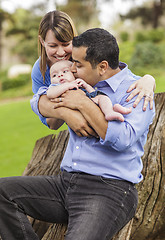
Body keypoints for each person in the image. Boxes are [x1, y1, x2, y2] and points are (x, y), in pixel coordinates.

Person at [0, 28, 155, 240]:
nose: (72, 68)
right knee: (2, 192)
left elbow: (124, 139)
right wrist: (65, 110)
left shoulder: (137, 91)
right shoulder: (78, 83)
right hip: (65, 185)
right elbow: (38, 100)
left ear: (102, 67)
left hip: (109, 191)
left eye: (78, 64)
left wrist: (83, 104)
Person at [30, 10, 156, 135]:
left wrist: (148, 79)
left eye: (66, 44)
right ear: (42, 42)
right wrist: (68, 114)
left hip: (95, 105)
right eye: (53, 46)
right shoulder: (41, 69)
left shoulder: (84, 56)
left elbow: (114, 73)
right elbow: (50, 121)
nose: (61, 52)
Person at [47, 60, 132, 122]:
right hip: (81, 110)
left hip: (91, 101)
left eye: (65, 71)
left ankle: (110, 111)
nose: (60, 75)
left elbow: (93, 93)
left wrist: (86, 86)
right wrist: (67, 86)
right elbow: (50, 94)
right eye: (54, 75)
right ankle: (113, 110)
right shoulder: (56, 86)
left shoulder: (77, 82)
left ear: (73, 73)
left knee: (102, 97)